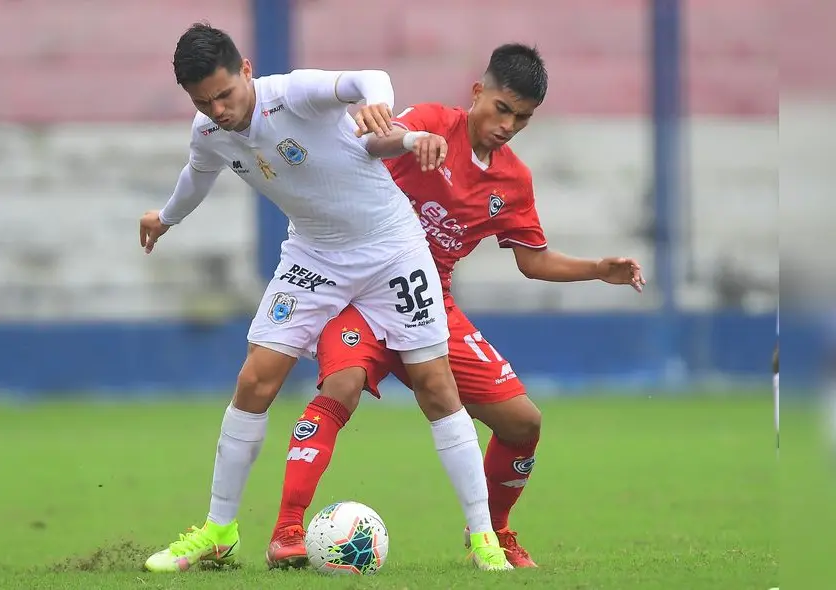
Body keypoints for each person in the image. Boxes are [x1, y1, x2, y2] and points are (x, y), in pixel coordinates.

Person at [139, 23, 511, 572]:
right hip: (314, 256)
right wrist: (165, 217)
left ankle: (485, 540)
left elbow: (369, 78)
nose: (218, 109)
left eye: (225, 94)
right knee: (254, 380)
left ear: (246, 71)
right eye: (203, 101)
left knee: (435, 386)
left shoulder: (291, 94)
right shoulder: (209, 131)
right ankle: (219, 532)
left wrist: (378, 108)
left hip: (392, 250)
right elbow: (198, 173)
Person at [265, 43, 646, 569]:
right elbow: (369, 140)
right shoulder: (428, 123)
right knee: (343, 384)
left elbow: (533, 262)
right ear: (477, 94)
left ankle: (493, 531)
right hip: (359, 288)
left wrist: (598, 270)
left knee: (522, 423)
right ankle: (287, 529)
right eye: (502, 109)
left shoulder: (512, 180)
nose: (509, 125)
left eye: (523, 117)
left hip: (426, 304)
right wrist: (401, 137)